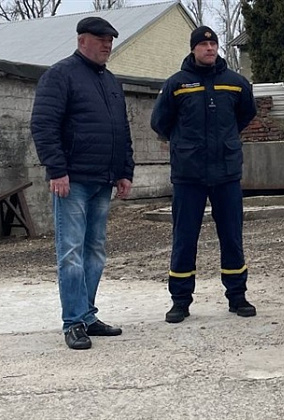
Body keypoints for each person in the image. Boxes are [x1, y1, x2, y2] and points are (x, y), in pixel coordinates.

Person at [30, 17, 135, 350]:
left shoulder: (111, 82)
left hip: (103, 180)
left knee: (95, 252)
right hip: (72, 181)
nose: (107, 45)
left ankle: (87, 315)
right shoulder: (60, 75)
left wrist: (125, 170)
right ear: (82, 41)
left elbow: (122, 130)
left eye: (110, 40)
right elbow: (43, 125)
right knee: (71, 253)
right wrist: (56, 169)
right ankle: (73, 321)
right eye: (101, 39)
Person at [151, 26, 257, 323]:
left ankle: (237, 296)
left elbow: (245, 115)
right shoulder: (177, 85)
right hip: (189, 176)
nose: (210, 48)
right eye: (204, 44)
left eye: (213, 44)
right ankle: (180, 301)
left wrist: (225, 140)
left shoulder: (235, 84)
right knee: (184, 239)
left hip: (226, 174)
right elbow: (160, 122)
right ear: (193, 48)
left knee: (232, 237)